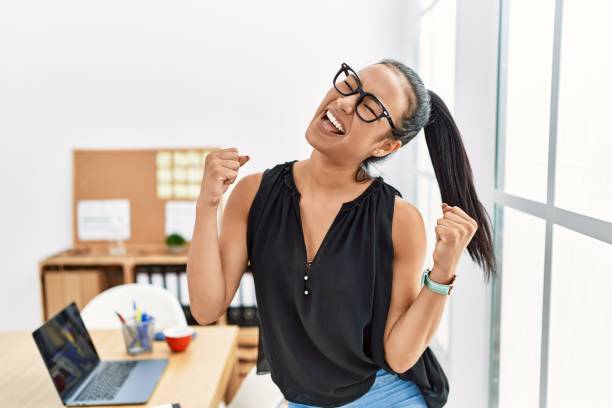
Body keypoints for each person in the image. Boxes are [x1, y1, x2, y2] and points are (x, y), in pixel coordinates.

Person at [187, 58, 497, 408]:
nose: (345, 103)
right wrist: (206, 206)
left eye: (369, 108)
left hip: (385, 394)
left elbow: (398, 356)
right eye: (351, 86)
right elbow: (205, 308)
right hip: (303, 400)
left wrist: (443, 270)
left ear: (385, 146)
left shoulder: (398, 220)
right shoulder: (252, 194)